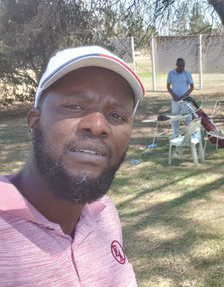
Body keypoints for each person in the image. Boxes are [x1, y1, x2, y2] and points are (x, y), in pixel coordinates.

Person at [0, 45, 145, 286]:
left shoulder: (103, 213)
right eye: (75, 106)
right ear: (34, 123)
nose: (98, 125)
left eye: (117, 116)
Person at [166, 58, 194, 138]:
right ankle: (175, 135)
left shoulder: (187, 74)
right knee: (175, 118)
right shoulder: (171, 73)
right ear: (176, 65)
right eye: (180, 66)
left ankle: (191, 134)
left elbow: (192, 87)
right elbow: (168, 87)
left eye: (183, 66)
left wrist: (185, 96)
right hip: (175, 100)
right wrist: (173, 95)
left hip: (185, 100)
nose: (181, 68)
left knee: (188, 117)